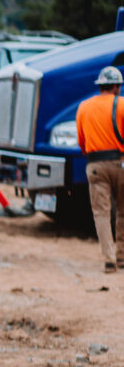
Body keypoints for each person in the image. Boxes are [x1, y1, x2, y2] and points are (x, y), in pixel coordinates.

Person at [76, 66, 124, 273]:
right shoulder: (122, 105)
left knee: (102, 213)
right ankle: (122, 256)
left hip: (95, 165)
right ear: (116, 86)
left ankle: (109, 259)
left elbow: (81, 142)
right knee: (123, 211)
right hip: (121, 163)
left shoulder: (84, 107)